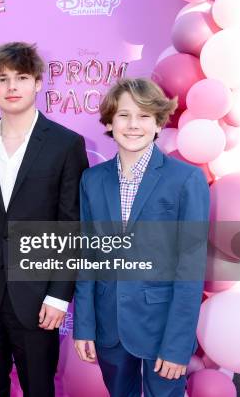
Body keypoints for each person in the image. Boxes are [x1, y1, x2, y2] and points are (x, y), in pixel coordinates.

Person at [0, 42, 89, 396]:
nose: (12, 87)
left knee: (39, 388)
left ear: (38, 83)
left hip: (38, 296)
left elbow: (71, 226)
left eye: (21, 78)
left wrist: (59, 297)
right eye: (2, 79)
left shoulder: (65, 144)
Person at [73, 78, 210, 397]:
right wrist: (85, 326)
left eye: (144, 115)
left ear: (159, 123)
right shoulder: (92, 180)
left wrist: (177, 346)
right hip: (110, 325)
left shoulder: (186, 179)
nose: (133, 125)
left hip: (162, 327)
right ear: (109, 121)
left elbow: (191, 269)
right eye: (123, 115)